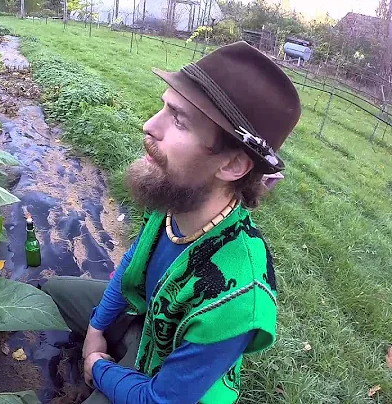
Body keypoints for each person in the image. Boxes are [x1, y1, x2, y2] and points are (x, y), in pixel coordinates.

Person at [42, 41, 301, 403]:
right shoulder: (179, 197)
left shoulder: (239, 299)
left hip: (164, 381)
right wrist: (97, 329)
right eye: (164, 107)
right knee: (52, 294)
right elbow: (134, 259)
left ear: (231, 165)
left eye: (179, 119)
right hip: (147, 323)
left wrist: (97, 366)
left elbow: (160, 399)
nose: (149, 126)